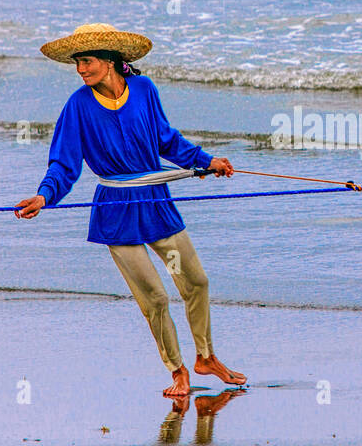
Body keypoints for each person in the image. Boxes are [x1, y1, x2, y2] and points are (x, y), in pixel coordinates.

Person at [14, 22, 247, 396]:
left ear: (110, 60)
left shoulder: (144, 90)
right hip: (117, 213)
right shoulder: (78, 106)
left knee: (195, 282)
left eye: (87, 61)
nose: (81, 70)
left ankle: (206, 358)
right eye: (77, 63)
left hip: (155, 205)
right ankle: (177, 371)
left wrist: (205, 161)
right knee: (154, 298)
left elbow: (166, 140)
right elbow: (64, 163)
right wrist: (44, 196)